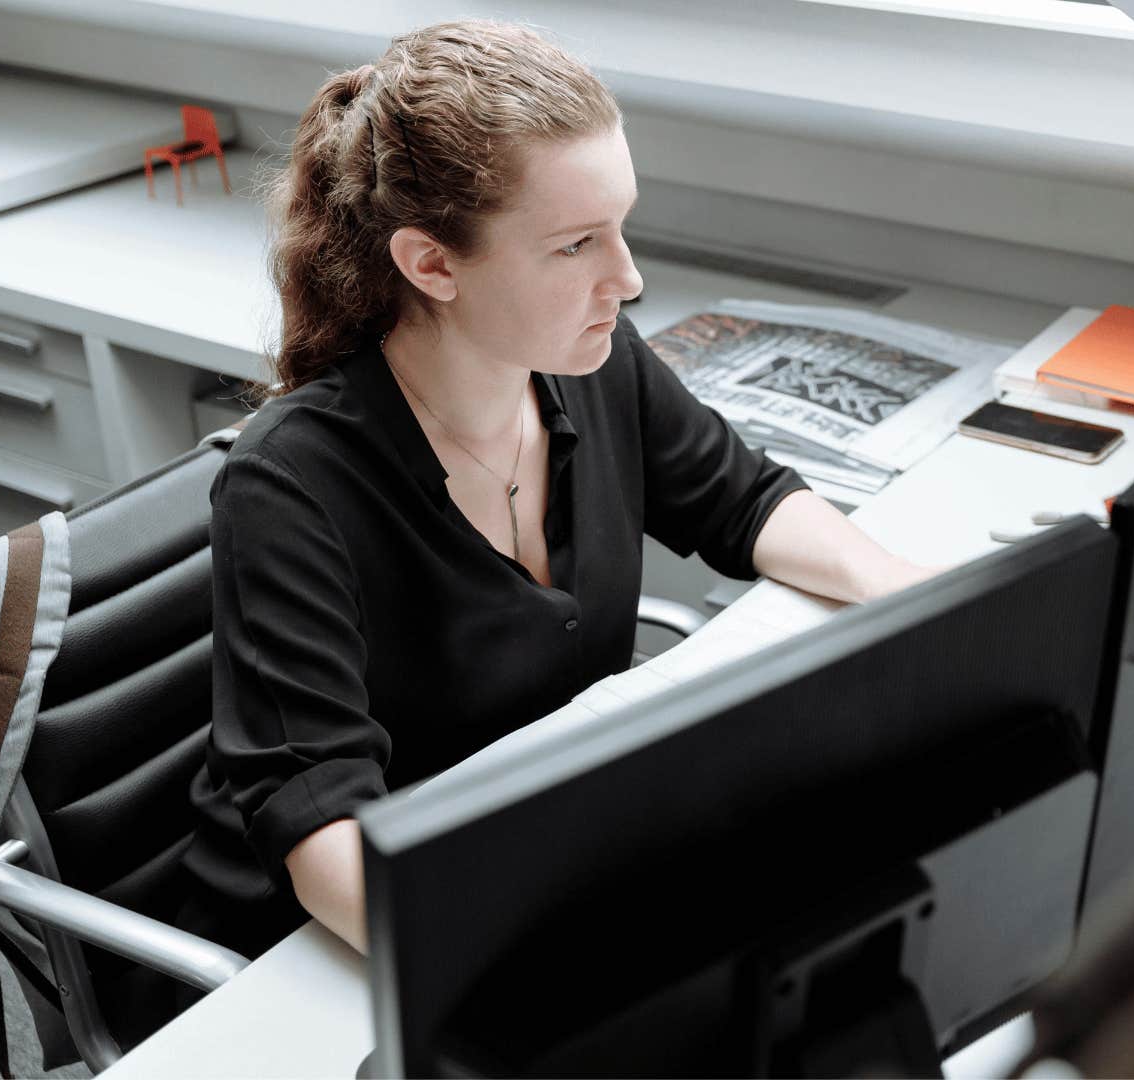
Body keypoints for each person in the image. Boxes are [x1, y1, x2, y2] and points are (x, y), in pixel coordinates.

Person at [175, 19, 944, 978]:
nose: (627, 280)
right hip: (332, 950)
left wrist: (915, 596)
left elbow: (744, 502)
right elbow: (320, 827)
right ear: (432, 265)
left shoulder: (590, 363)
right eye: (577, 244)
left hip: (539, 849)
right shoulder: (291, 483)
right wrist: (544, 974)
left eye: (620, 228)